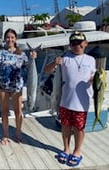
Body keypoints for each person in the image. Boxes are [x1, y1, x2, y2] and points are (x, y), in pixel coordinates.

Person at [43, 31, 96, 167]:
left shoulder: (91, 60)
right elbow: (46, 71)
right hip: (65, 100)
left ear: (85, 43)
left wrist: (93, 80)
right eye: (73, 43)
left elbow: (93, 77)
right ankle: (66, 149)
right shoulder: (64, 58)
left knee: (79, 129)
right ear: (69, 45)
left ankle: (77, 151)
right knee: (65, 126)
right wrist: (55, 63)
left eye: (79, 43)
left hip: (82, 102)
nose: (76, 46)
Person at [0, 28, 37, 145]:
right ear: (5, 39)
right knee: (4, 112)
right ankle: (5, 135)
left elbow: (29, 69)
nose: (10, 39)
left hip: (17, 88)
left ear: (16, 39)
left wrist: (33, 58)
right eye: (8, 37)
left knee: (18, 112)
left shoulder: (22, 54)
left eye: (12, 37)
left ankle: (18, 133)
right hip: (3, 87)